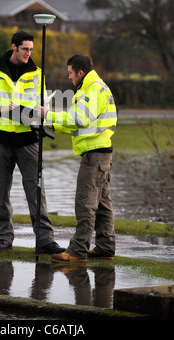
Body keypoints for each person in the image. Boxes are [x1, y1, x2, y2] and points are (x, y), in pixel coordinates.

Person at [0, 30, 64, 255]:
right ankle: (4, 237)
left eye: (31, 50)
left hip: (28, 139)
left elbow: (45, 106)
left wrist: (43, 114)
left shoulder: (38, 74)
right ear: (13, 47)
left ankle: (45, 240)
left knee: (36, 191)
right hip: (0, 140)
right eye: (25, 49)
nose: (29, 53)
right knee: (1, 192)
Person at [38, 54, 117, 263]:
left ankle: (77, 250)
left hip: (94, 156)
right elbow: (79, 123)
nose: (69, 76)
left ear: (80, 73)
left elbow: (80, 119)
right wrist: (54, 126)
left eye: (71, 72)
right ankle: (106, 247)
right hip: (101, 154)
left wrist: (49, 114)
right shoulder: (93, 87)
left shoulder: (92, 90)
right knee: (102, 205)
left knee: (85, 204)